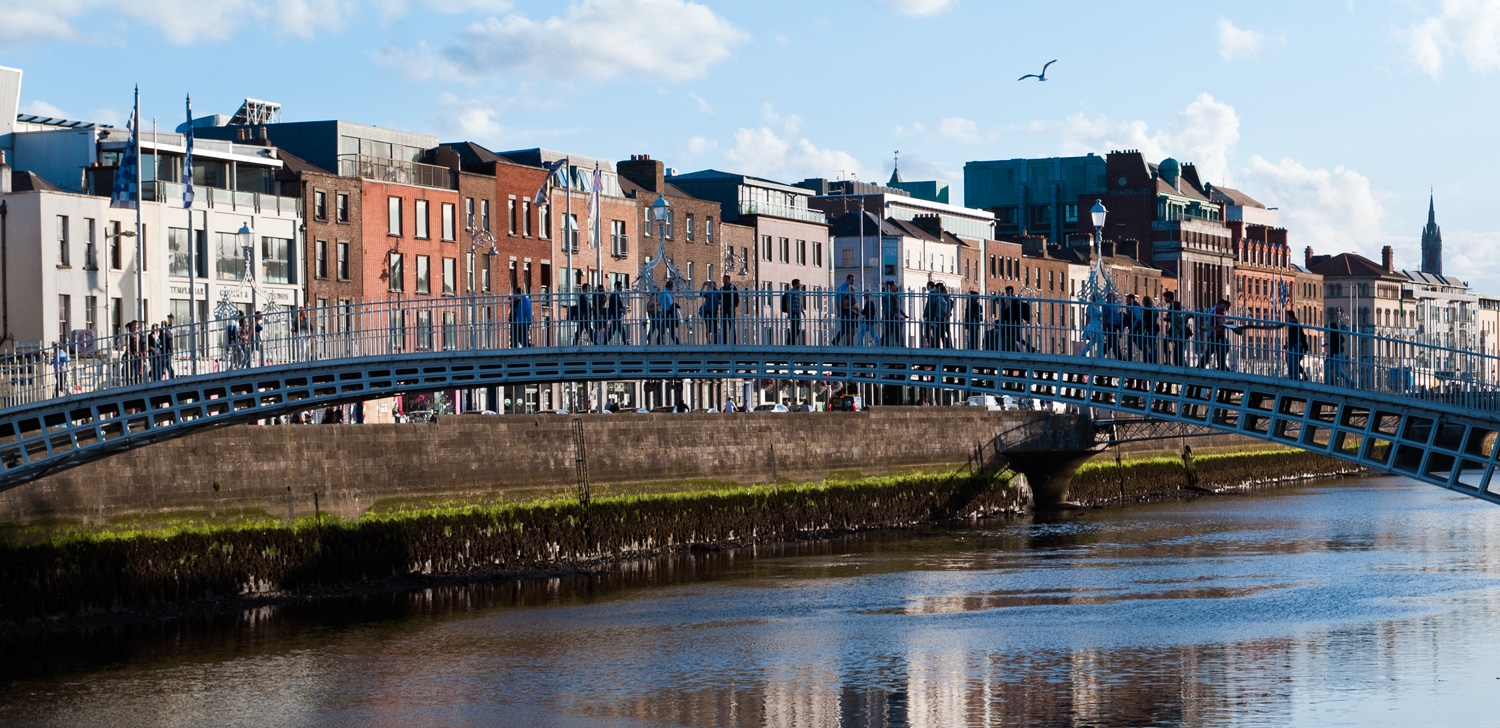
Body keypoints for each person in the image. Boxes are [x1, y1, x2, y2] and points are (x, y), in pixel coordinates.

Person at [1197, 298, 1231, 370]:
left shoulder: (1213, 309)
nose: (1226, 310)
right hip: (1217, 334)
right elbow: (1220, 323)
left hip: (1213, 334)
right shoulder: (1218, 310)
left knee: (1212, 350)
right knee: (1224, 347)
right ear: (1222, 304)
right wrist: (1229, 323)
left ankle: (1201, 365)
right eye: (1226, 307)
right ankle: (1222, 366)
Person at [1164, 291, 1190, 367]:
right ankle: (1177, 363)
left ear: (1169, 297)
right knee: (1176, 350)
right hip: (1174, 328)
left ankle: (1171, 361)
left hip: (1175, 329)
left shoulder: (1173, 306)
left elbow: (1177, 318)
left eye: (1165, 297)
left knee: (1176, 349)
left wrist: (1169, 318)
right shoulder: (1171, 306)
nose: (1164, 299)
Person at [831, 274, 858, 346]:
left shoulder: (851, 288)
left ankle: (844, 343)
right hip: (844, 310)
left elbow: (852, 299)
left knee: (849, 329)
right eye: (852, 280)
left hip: (849, 311)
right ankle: (836, 341)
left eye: (853, 280)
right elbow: (837, 300)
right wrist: (839, 310)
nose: (853, 282)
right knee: (845, 328)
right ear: (847, 280)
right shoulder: (842, 288)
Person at [1326, 315, 1352, 386]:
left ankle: (1329, 382)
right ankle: (1329, 382)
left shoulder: (1333, 335)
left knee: (1334, 369)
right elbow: (1334, 344)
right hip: (1338, 354)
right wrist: (1327, 344)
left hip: (1336, 355)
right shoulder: (1337, 335)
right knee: (1332, 369)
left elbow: (1333, 346)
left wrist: (1329, 356)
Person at [1284, 310, 1308, 380]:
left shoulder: (1294, 324)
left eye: (1287, 316)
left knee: (1293, 361)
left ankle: (1295, 377)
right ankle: (1296, 375)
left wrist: (1288, 344)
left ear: (1290, 316)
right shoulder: (1294, 324)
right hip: (1297, 345)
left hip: (1296, 345)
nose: (1286, 317)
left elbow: (1294, 337)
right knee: (1290, 360)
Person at [718, 274, 740, 345]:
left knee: (732, 326)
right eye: (723, 280)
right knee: (723, 326)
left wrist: (733, 306)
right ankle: (724, 342)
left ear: (729, 280)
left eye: (726, 280)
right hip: (723, 309)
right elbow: (719, 297)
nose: (724, 281)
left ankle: (733, 342)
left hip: (730, 309)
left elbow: (736, 298)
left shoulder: (733, 288)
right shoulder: (722, 289)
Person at [782, 278, 805, 345]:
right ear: (795, 284)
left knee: (796, 329)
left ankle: (790, 342)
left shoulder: (798, 293)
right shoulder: (791, 292)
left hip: (797, 313)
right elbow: (788, 303)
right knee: (794, 329)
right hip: (793, 312)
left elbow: (799, 303)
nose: (800, 285)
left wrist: (802, 311)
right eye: (798, 283)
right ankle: (790, 343)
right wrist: (789, 313)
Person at [882, 281, 904, 347]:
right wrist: (894, 314)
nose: (895, 286)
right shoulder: (888, 295)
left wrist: (902, 313)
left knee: (892, 330)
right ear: (890, 286)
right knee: (890, 330)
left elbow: (896, 306)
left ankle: (898, 344)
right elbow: (889, 307)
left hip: (893, 315)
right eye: (894, 285)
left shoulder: (893, 295)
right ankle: (899, 344)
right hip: (890, 316)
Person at [1138, 296, 1159, 364]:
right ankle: (1152, 360)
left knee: (1144, 344)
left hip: (1150, 329)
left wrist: (1141, 329)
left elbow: (1145, 321)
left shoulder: (1148, 310)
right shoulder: (1154, 309)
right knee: (1151, 345)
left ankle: (1150, 359)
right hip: (1153, 329)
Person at [698, 279, 719, 344]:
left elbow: (718, 292)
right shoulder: (709, 293)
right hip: (708, 312)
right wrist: (703, 286)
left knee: (715, 327)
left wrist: (713, 286)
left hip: (714, 311)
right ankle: (709, 342)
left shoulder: (716, 293)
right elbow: (701, 294)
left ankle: (715, 342)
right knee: (708, 327)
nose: (710, 286)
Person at [161, 314, 176, 378]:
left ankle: (171, 377)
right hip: (167, 351)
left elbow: (170, 326)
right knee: (166, 366)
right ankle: (172, 377)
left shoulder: (164, 331)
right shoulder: (165, 332)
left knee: (165, 366)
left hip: (166, 351)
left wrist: (171, 319)